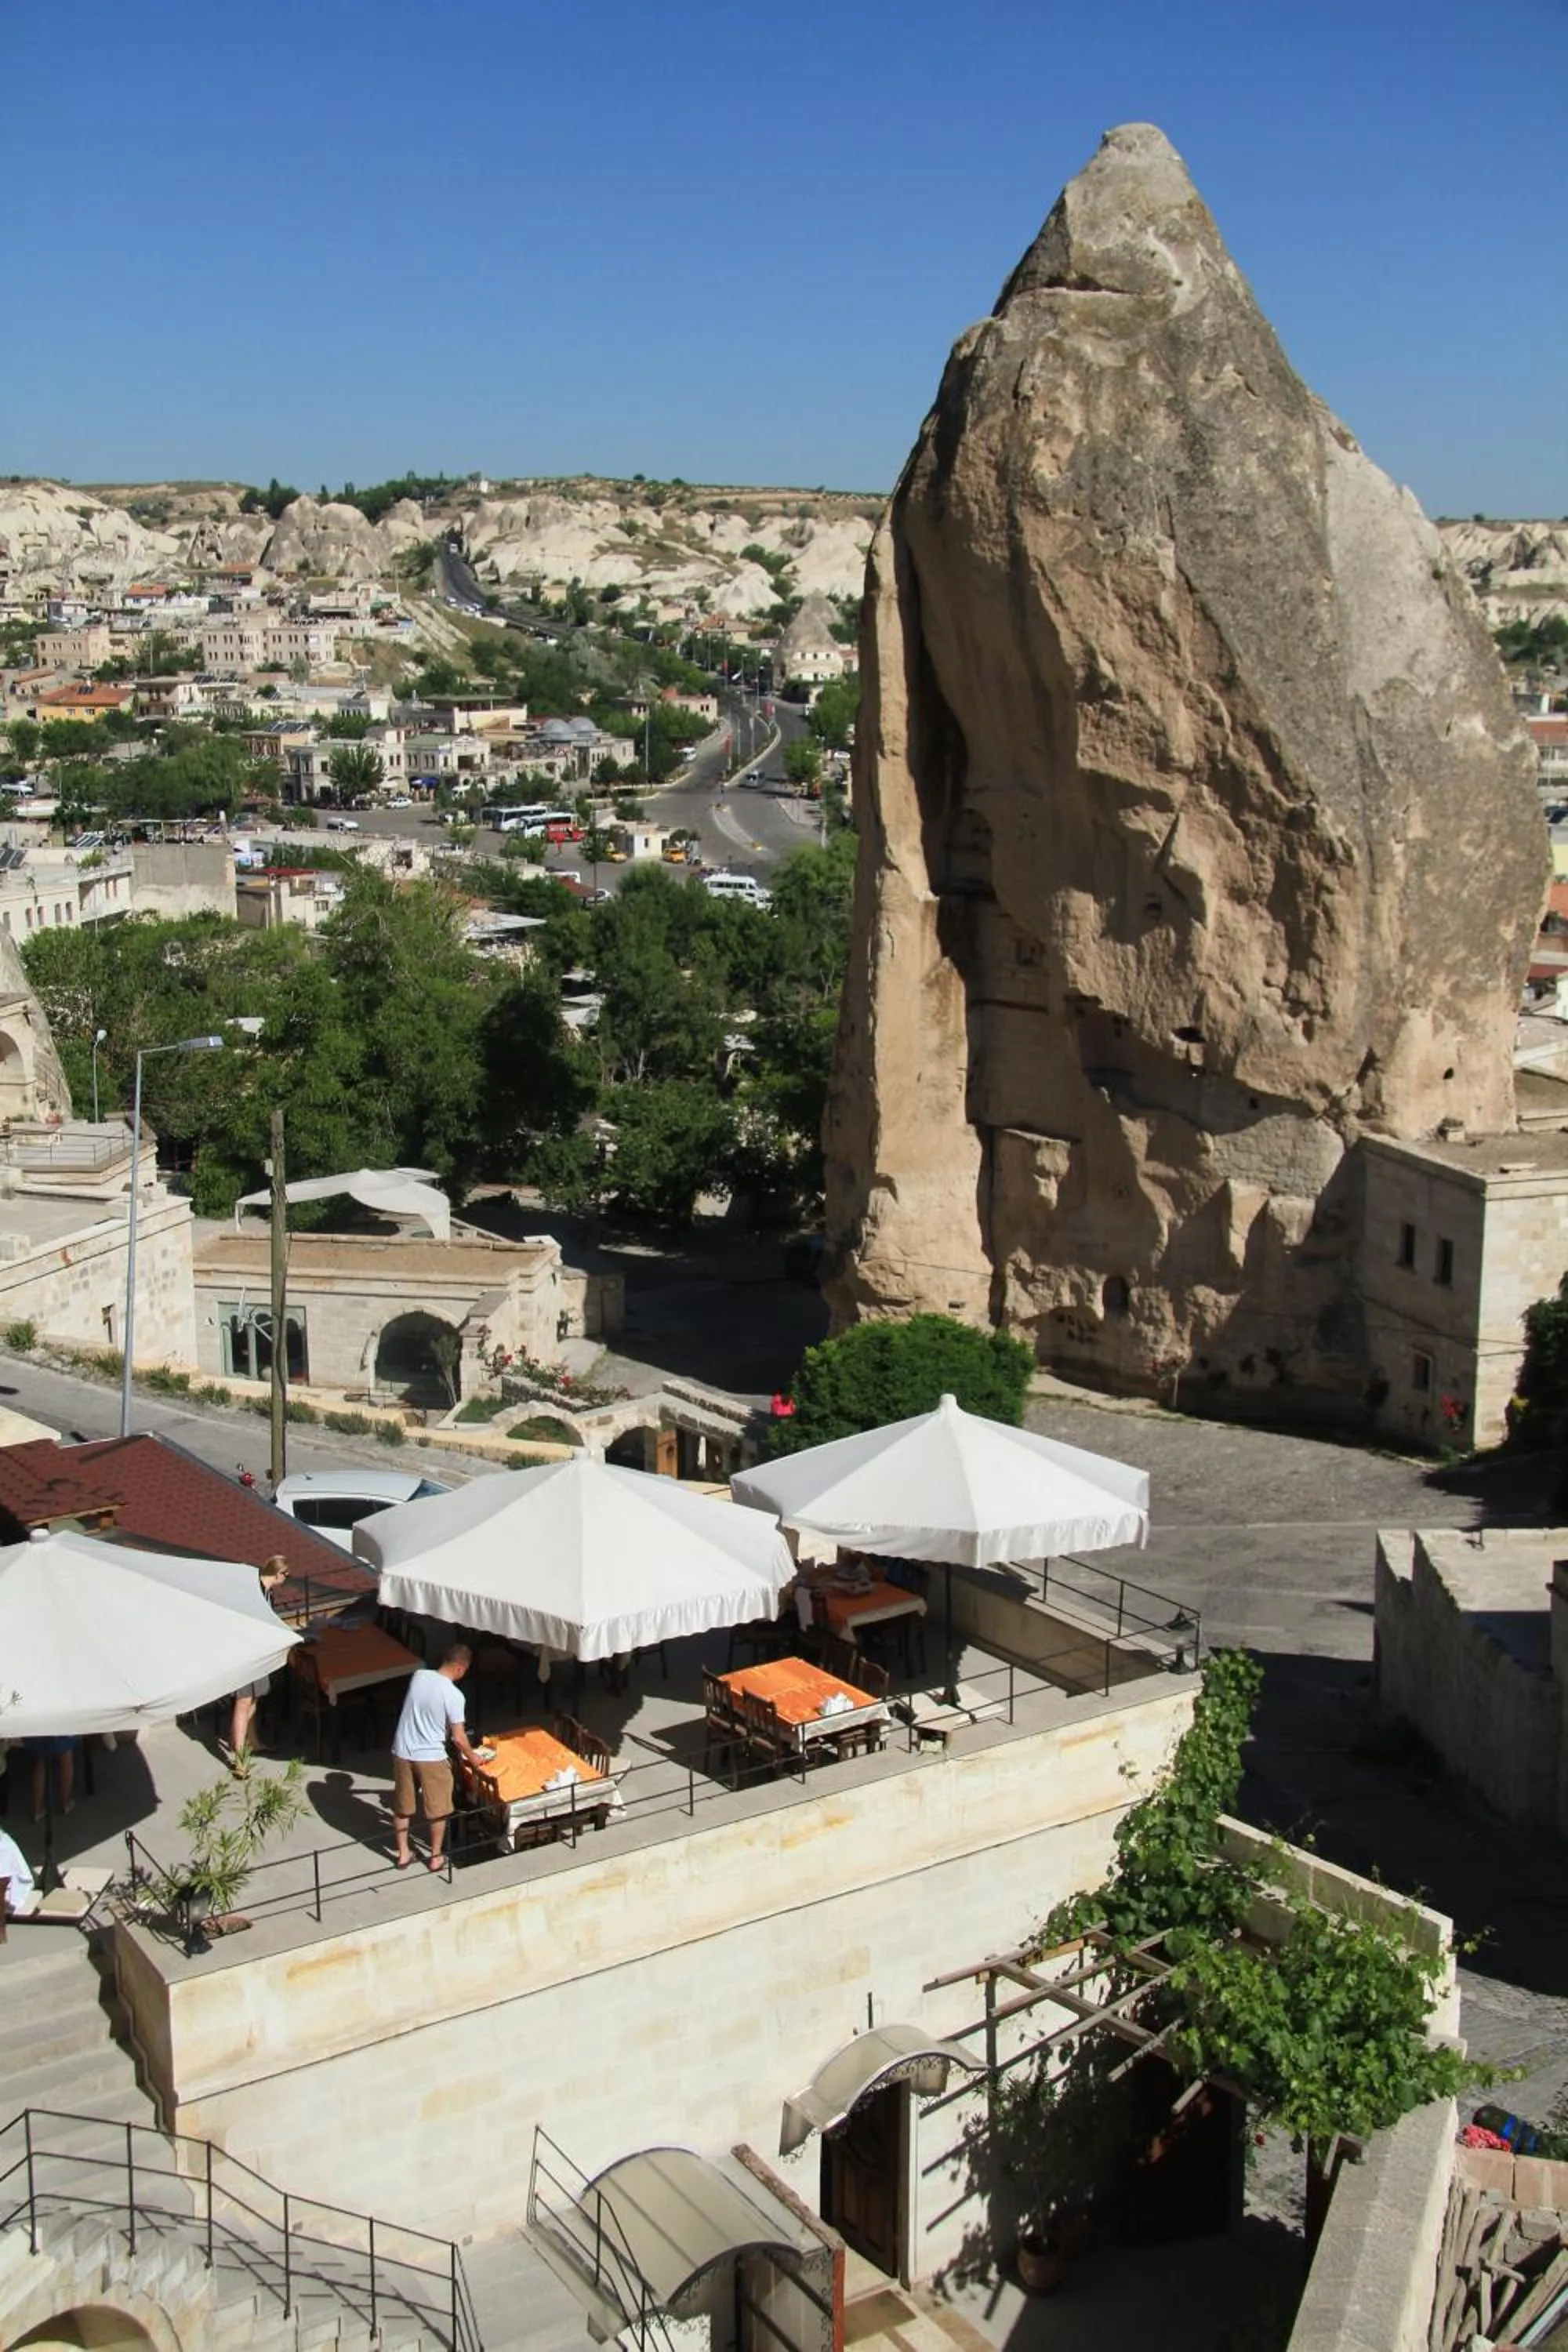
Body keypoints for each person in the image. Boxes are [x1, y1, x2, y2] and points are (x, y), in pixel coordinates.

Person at [390, 1645, 481, 1872]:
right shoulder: (454, 1695)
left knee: (403, 1807)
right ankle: (436, 1856)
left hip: (403, 1749)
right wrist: (473, 1757)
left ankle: (402, 1855)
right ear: (461, 1668)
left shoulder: (419, 1676)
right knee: (438, 1808)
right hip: (430, 1755)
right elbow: (459, 1738)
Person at [226, 1556, 290, 1778]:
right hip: (246, 1655)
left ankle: (252, 1741)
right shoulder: (254, 1591)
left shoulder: (266, 1593)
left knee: (254, 1700)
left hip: (258, 1655)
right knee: (243, 1703)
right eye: (286, 1575)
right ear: (278, 1574)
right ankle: (239, 1760)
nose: (286, 1580)